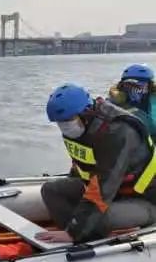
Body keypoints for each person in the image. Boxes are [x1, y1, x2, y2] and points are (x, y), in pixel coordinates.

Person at [38, 83, 156, 246]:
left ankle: (83, 237)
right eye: (60, 122)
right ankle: (74, 236)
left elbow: (104, 185)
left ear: (86, 112)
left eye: (68, 121)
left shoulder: (119, 132)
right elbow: (80, 166)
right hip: (112, 193)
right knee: (51, 190)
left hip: (144, 198)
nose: (64, 126)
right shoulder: (80, 129)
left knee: (98, 217)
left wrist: (75, 230)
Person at [108, 63, 156, 136]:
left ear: (149, 85)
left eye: (139, 84)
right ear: (122, 85)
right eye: (128, 84)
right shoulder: (113, 103)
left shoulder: (153, 99)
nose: (133, 88)